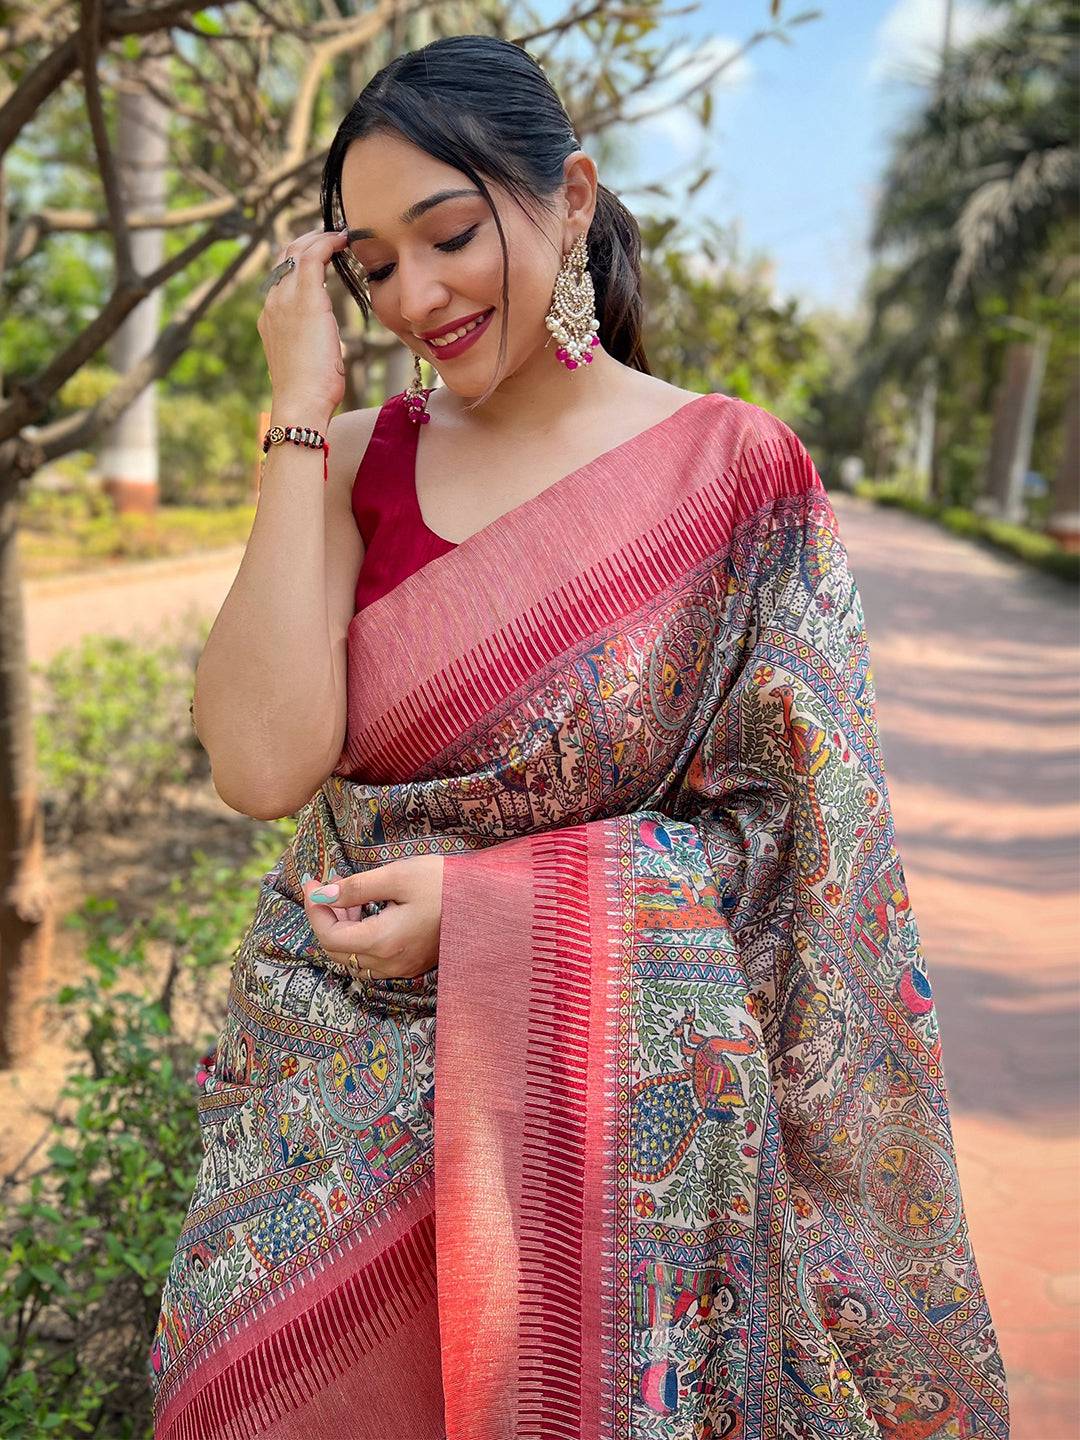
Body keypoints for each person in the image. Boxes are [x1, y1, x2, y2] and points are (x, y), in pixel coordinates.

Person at [148, 33, 1010, 1440]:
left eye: (448, 234)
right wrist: (294, 414)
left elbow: (809, 849)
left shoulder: (733, 476)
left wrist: (490, 914)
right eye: (370, 263)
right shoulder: (350, 459)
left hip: (602, 1145)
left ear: (571, 199)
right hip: (322, 1118)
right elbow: (259, 765)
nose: (415, 295)